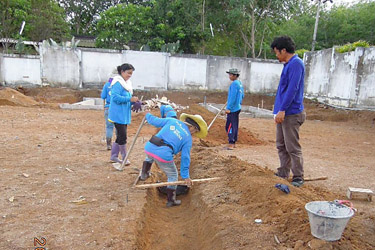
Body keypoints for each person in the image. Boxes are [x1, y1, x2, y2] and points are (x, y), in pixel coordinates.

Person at [140, 112, 207, 207]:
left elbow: (155, 121)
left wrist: (147, 115)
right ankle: (171, 200)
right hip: (163, 155)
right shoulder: (188, 139)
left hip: (149, 147)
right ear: (193, 127)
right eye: (195, 131)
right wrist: (185, 176)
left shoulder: (172, 121)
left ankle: (144, 174)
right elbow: (185, 158)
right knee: (173, 175)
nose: (194, 134)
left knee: (150, 157)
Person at [271, 36, 306, 187]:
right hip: (282, 112)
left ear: (283, 50)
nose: (276, 56)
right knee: (281, 144)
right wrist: (278, 110)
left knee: (292, 147)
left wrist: (283, 110)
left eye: (277, 53)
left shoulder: (296, 64)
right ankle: (283, 172)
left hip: (291, 113)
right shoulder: (288, 64)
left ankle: (298, 176)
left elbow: (292, 89)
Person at [108, 63, 139, 164]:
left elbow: (127, 98)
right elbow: (115, 97)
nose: (130, 75)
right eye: (128, 73)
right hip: (118, 114)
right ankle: (124, 157)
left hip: (124, 114)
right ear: (122, 72)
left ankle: (114, 156)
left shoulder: (127, 83)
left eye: (131, 73)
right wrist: (129, 99)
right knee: (123, 136)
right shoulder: (117, 83)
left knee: (121, 136)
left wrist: (135, 101)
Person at [225, 68, 244, 149]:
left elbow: (232, 97)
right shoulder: (239, 83)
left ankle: (231, 143)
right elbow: (242, 95)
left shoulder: (234, 84)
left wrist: (229, 107)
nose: (229, 76)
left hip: (233, 109)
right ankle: (233, 141)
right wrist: (239, 103)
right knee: (234, 125)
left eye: (230, 75)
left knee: (229, 126)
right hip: (237, 107)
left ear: (234, 75)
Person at [100, 70, 116, 150]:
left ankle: (109, 144)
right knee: (118, 127)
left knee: (109, 127)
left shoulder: (106, 85)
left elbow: (103, 96)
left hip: (108, 108)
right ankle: (119, 144)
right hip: (117, 109)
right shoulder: (119, 85)